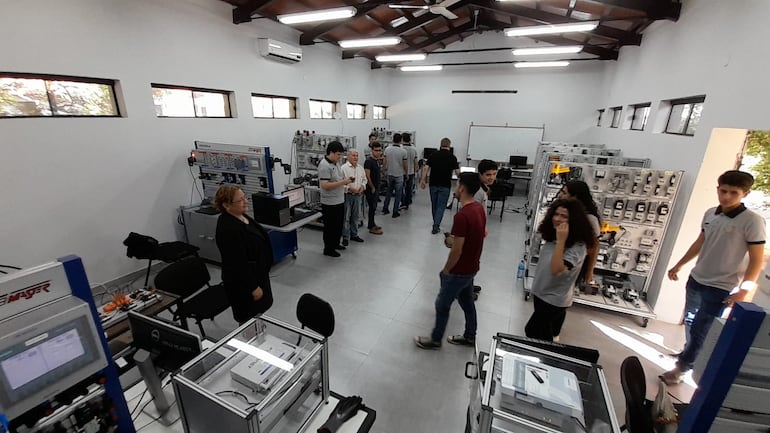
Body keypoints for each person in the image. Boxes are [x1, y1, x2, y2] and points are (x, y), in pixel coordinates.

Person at [661, 170, 765, 385]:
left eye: (733, 193)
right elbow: (700, 242)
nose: (726, 197)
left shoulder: (753, 222)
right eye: (723, 191)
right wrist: (679, 265)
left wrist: (744, 290)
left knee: (702, 328)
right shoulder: (711, 213)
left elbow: (756, 259)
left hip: (722, 286)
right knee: (690, 322)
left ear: (745, 194)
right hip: (697, 279)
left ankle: (681, 369)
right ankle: (689, 354)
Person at [415, 173, 486, 349]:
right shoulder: (478, 208)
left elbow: (457, 249)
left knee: (442, 304)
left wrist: (447, 270)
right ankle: (470, 336)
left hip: (460, 270)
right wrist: (454, 240)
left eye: (458, 184)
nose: (456, 187)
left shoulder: (462, 216)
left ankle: (435, 340)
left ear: (461, 187)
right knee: (468, 303)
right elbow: (478, 236)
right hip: (472, 267)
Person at [525, 199, 597, 341]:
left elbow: (556, 269)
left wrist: (561, 241)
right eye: (556, 214)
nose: (558, 219)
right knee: (545, 330)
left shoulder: (578, 246)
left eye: (564, 216)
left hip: (554, 299)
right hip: (541, 292)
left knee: (532, 330)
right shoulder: (553, 236)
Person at [214, 185, 274, 324]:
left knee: (259, 312)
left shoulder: (240, 215)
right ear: (226, 205)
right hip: (244, 284)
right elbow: (236, 264)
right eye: (240, 200)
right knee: (248, 317)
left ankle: (259, 331)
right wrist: (252, 287)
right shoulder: (227, 229)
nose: (245, 201)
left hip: (258, 275)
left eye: (244, 197)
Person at [556, 180, 601, 284]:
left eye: (564, 193)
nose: (560, 195)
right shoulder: (564, 211)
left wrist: (590, 271)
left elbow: (594, 246)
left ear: (575, 197)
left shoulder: (590, 219)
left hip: (574, 262)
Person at [318, 141, 354, 257]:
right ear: (331, 153)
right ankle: (328, 249)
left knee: (338, 224)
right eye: (338, 154)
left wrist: (346, 179)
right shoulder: (324, 165)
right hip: (329, 202)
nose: (340, 157)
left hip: (339, 200)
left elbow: (338, 178)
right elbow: (325, 185)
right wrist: (344, 182)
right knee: (330, 227)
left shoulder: (336, 163)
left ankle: (335, 243)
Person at [420, 138, 459, 234]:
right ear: (449, 145)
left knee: (434, 204)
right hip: (445, 185)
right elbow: (458, 172)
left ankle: (435, 222)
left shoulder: (433, 155)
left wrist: (423, 179)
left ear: (440, 145)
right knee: (441, 206)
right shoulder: (452, 157)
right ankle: (436, 225)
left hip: (433, 183)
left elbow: (426, 167)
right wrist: (460, 181)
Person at [341, 149, 367, 245]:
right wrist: (349, 188)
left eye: (357, 155)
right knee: (346, 217)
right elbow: (340, 183)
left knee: (355, 216)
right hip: (347, 196)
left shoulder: (360, 168)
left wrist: (362, 187)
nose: (356, 157)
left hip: (358, 196)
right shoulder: (343, 168)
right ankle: (345, 237)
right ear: (348, 157)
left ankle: (354, 235)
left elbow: (365, 180)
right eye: (353, 155)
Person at [382, 133, 408, 218]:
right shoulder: (403, 151)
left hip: (390, 173)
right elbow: (405, 164)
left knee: (388, 192)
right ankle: (395, 212)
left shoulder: (387, 149)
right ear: (401, 141)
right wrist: (406, 173)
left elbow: (384, 162)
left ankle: (385, 208)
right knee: (398, 194)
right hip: (399, 175)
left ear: (393, 139)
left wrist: (384, 171)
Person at [364, 142, 384, 235]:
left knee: (374, 207)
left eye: (380, 150)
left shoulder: (377, 160)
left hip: (376, 187)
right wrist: (372, 187)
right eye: (376, 150)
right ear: (372, 150)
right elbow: (367, 176)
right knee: (372, 207)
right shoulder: (368, 161)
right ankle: (371, 226)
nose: (378, 152)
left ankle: (372, 224)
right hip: (370, 188)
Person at [400, 132, 419, 210]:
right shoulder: (414, 149)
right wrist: (416, 170)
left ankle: (403, 201)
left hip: (401, 171)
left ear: (402, 139)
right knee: (409, 188)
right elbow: (415, 161)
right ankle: (408, 201)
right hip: (411, 171)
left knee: (400, 188)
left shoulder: (401, 148)